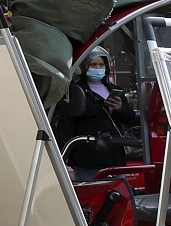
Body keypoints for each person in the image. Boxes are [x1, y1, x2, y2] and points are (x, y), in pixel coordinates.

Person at [51, 46, 140, 180]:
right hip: (87, 157)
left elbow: (130, 118)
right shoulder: (75, 92)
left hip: (114, 155)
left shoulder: (114, 90)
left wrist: (120, 108)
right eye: (93, 64)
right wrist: (63, 155)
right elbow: (66, 126)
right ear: (83, 67)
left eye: (101, 65)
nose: (97, 68)